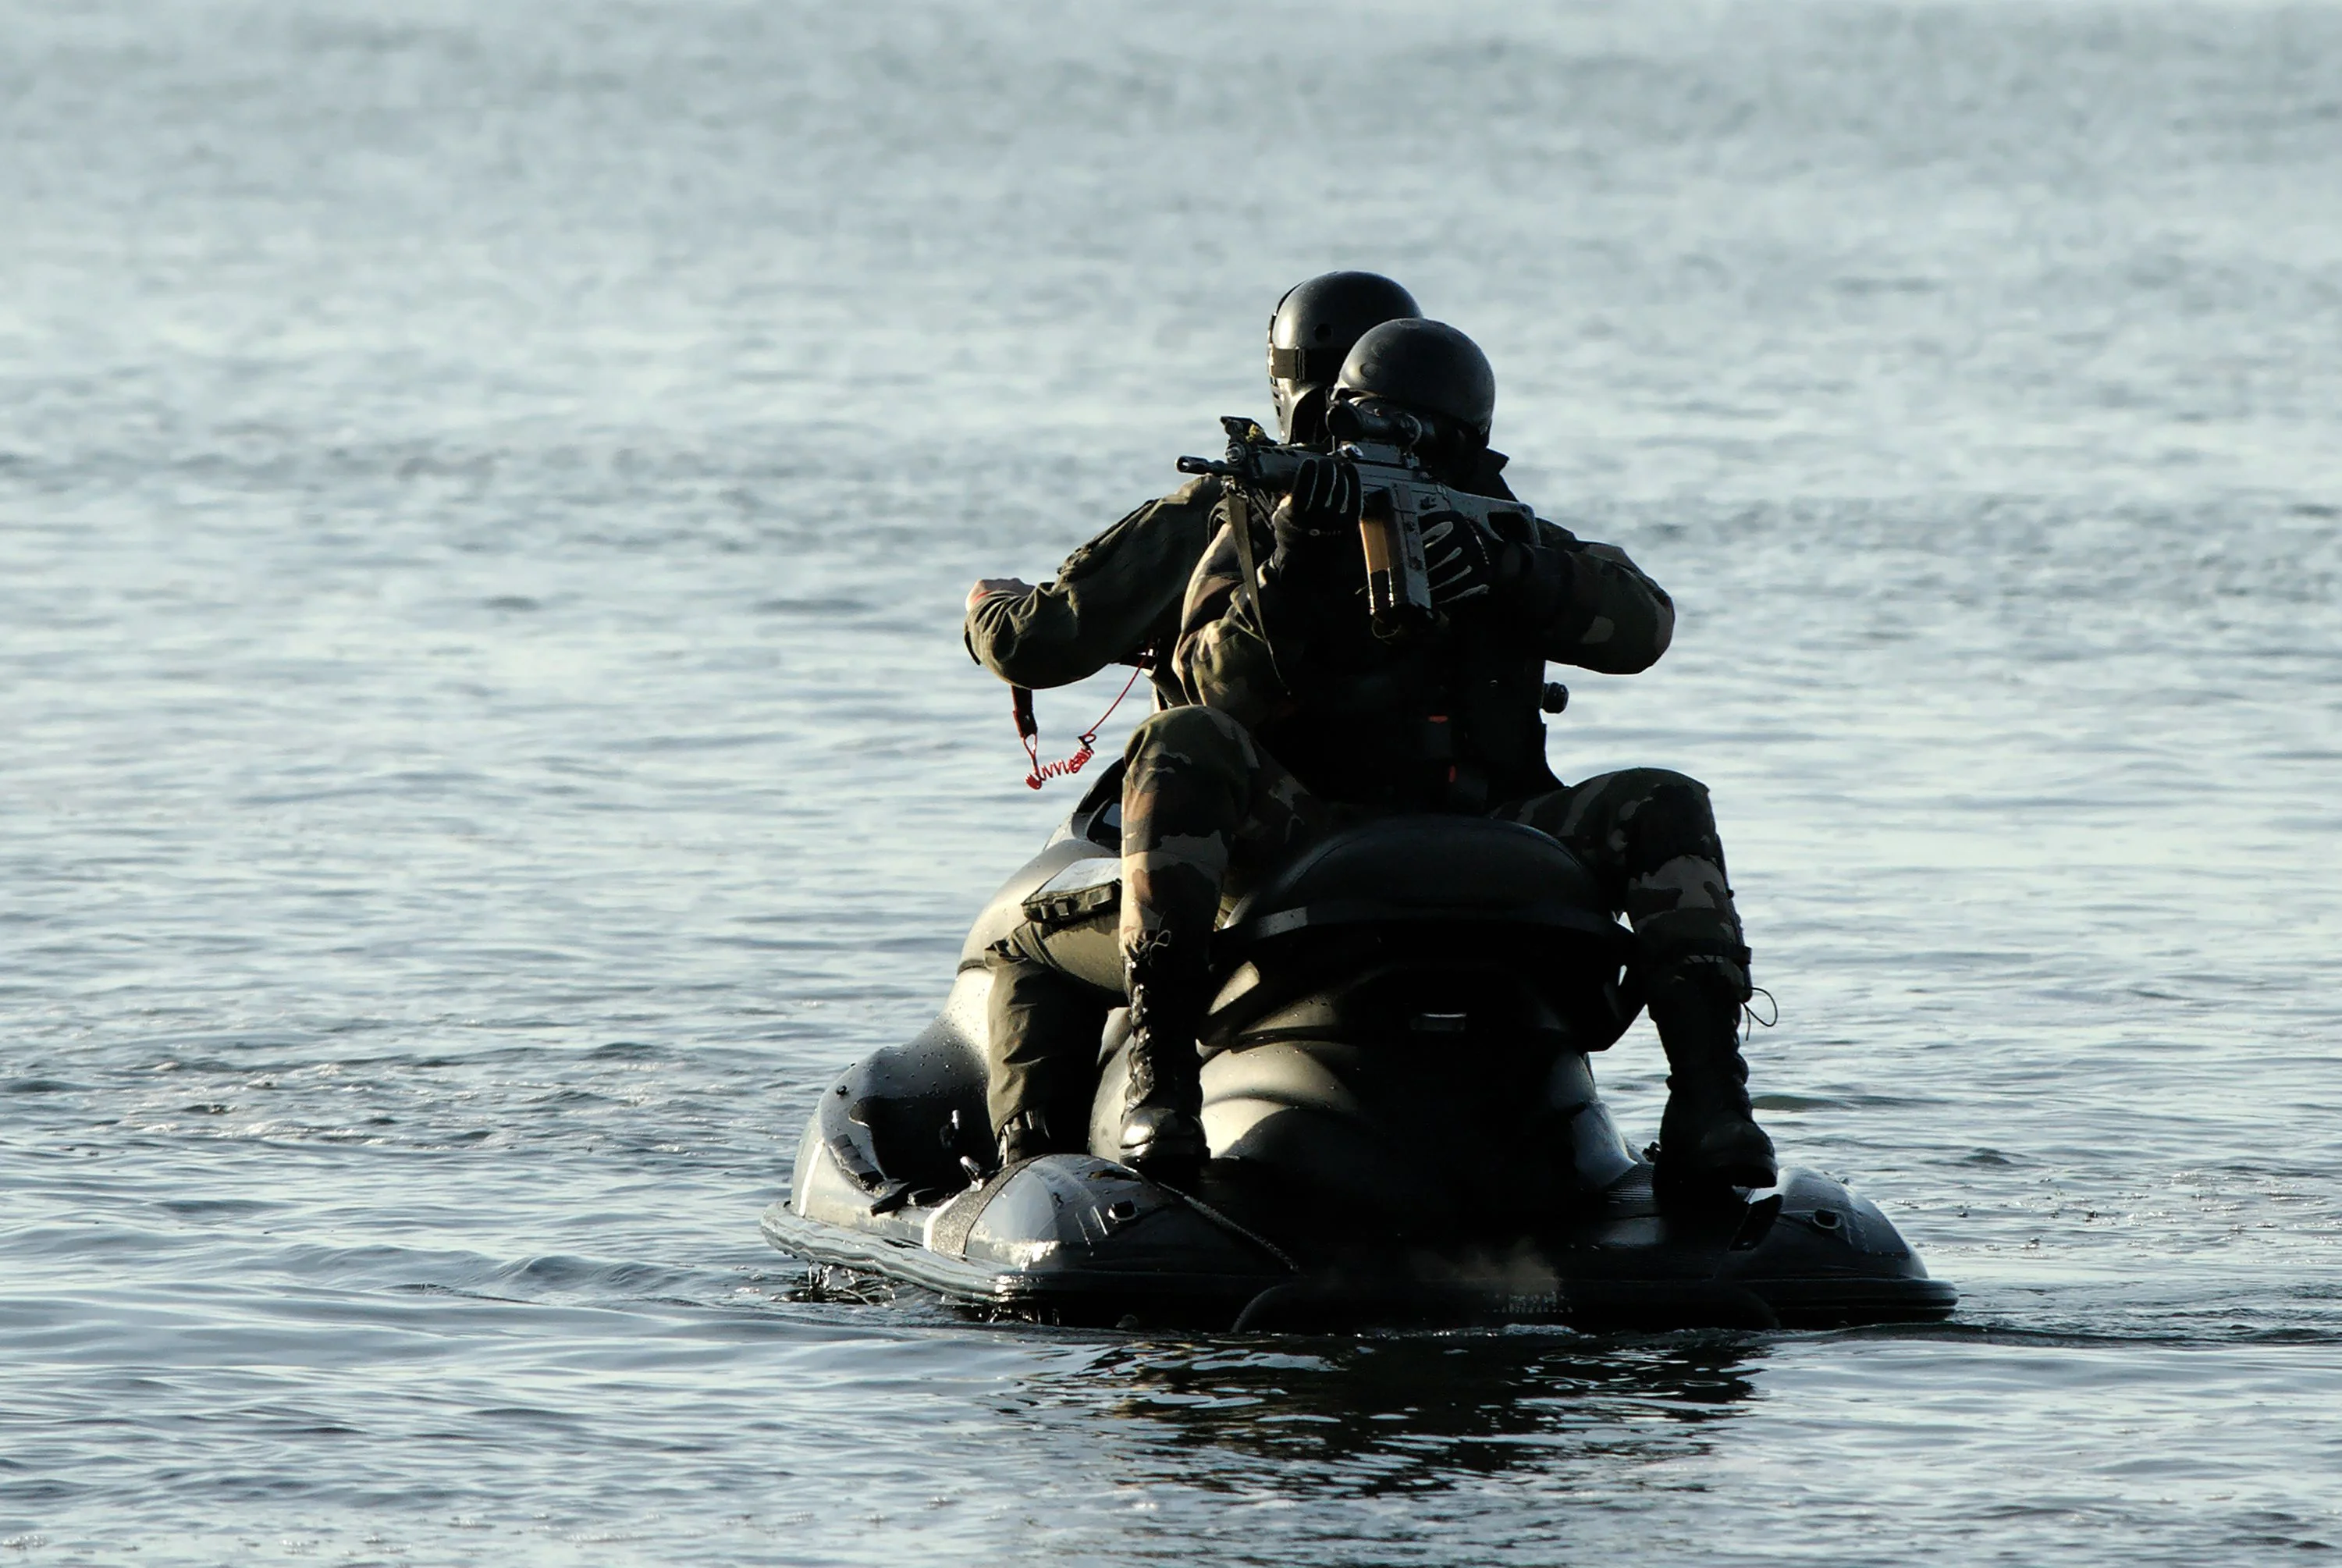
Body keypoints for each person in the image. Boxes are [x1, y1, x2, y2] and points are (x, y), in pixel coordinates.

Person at [1114, 318, 1776, 1200]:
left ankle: (1711, 1101)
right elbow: (1210, 687)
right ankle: (1161, 1078)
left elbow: (1643, 625)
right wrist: (1300, 559)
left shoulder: (1510, 533)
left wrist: (1511, 575)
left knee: (1664, 800)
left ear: (1465, 446)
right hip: (1310, 820)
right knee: (1177, 742)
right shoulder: (1268, 530)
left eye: (1410, 430)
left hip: (1490, 815)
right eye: (1360, 421)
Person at [961, 272, 1427, 1167]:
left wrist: (986, 604)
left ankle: (1038, 1167)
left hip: (1267, 854)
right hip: (1443, 844)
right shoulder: (1475, 527)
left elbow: (1039, 642)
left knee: (1026, 942)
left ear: (1288, 381)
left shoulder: (1222, 515)